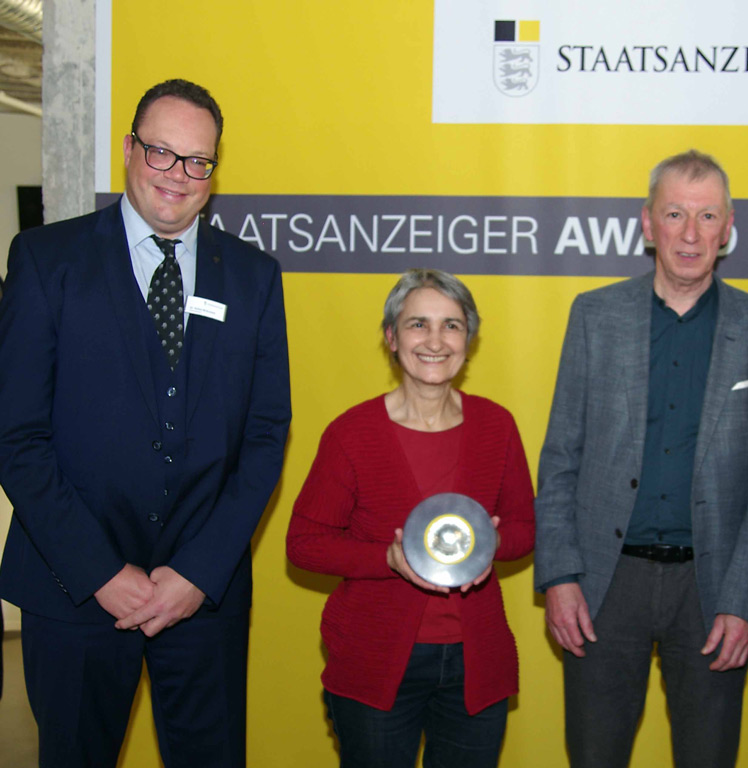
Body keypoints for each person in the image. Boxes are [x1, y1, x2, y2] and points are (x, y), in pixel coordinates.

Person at [0, 79, 291, 768]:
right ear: (129, 150)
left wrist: (198, 570)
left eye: (197, 161)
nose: (177, 176)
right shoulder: (47, 262)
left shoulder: (253, 277)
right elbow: (17, 437)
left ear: (214, 172)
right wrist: (101, 571)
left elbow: (265, 435)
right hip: (72, 589)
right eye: (161, 153)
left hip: (203, 597)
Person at [534, 149, 748, 767]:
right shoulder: (594, 317)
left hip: (712, 592)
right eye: (675, 213)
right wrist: (561, 575)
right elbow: (560, 455)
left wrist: (747, 602)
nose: (690, 233)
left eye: (707, 217)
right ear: (648, 223)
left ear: (728, 228)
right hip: (604, 582)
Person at [287, 268, 535, 768]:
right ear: (391, 338)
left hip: (475, 662)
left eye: (452, 325)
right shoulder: (351, 433)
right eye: (418, 324)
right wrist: (387, 558)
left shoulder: (496, 425)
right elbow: (305, 543)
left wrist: (489, 547)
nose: (436, 341)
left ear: (470, 338)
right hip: (375, 662)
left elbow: (525, 527)